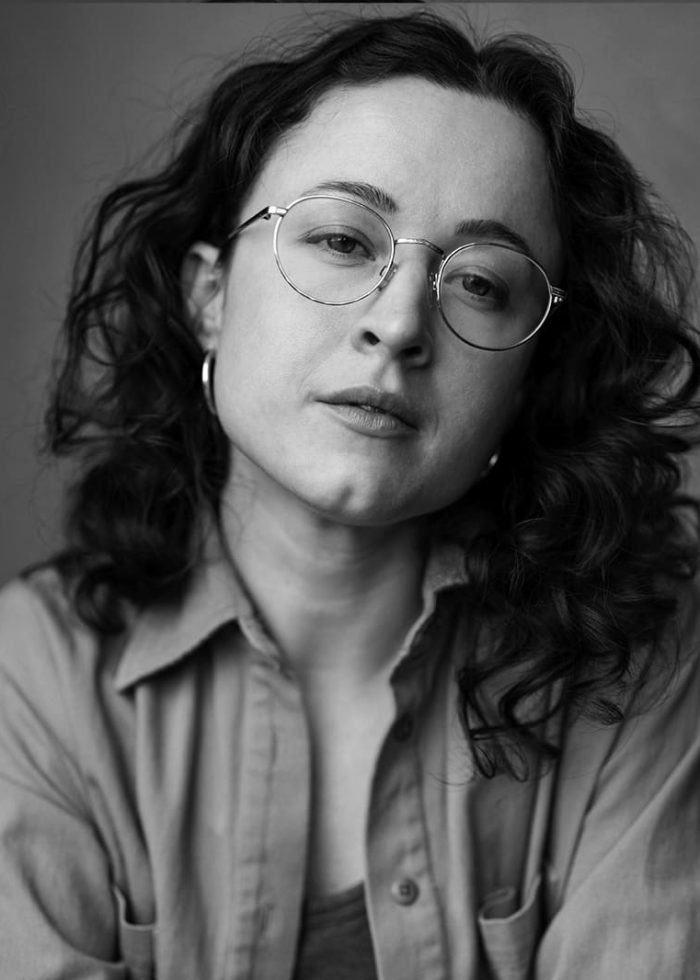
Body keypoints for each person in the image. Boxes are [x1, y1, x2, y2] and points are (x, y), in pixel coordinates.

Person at [1, 10, 699, 979]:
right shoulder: (28, 678)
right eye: (340, 238)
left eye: (481, 285)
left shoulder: (640, 668)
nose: (400, 320)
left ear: (531, 378)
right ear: (209, 296)